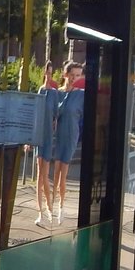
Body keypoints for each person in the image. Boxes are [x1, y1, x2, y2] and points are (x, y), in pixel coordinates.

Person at [53, 60, 85, 224]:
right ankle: (49, 205)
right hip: (56, 136)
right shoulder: (57, 94)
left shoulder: (81, 95)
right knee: (54, 171)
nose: (74, 78)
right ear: (65, 75)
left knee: (63, 173)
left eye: (78, 75)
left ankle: (61, 206)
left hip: (71, 134)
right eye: (72, 75)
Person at [34, 60, 60, 226]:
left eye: (51, 73)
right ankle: (40, 213)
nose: (49, 76)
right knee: (39, 175)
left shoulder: (55, 93)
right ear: (44, 73)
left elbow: (55, 117)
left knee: (45, 174)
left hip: (49, 136)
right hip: (39, 136)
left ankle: (50, 208)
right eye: (47, 73)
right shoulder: (40, 91)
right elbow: (36, 115)